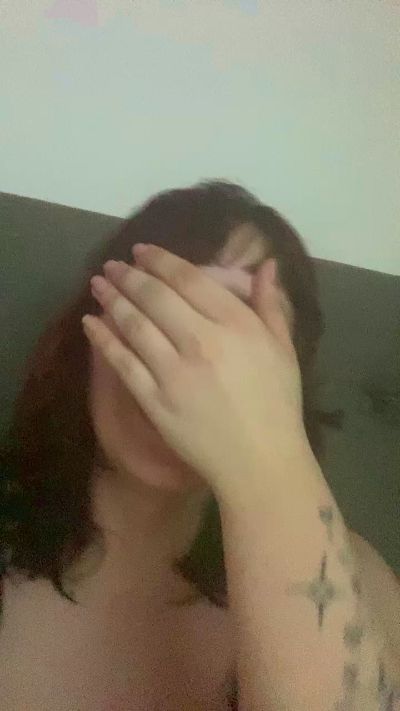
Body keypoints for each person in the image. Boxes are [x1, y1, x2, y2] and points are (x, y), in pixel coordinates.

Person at [0, 179, 399, 710]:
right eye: (158, 314)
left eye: (236, 330)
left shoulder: (357, 578)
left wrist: (265, 462)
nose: (193, 365)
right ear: (87, 341)